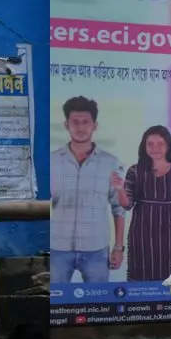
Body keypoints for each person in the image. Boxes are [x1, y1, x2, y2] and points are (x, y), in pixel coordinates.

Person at [50, 97, 125, 283]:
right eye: (75, 122)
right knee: (55, 307)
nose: (80, 127)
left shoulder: (110, 163)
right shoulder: (51, 161)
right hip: (57, 250)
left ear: (95, 125)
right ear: (66, 124)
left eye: (86, 122)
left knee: (99, 306)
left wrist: (118, 247)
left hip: (96, 250)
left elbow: (119, 208)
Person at [114, 125, 171, 281]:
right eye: (150, 144)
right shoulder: (135, 171)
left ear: (168, 146)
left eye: (160, 144)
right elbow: (126, 205)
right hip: (140, 236)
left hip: (168, 236)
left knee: (167, 280)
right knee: (138, 280)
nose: (155, 148)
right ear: (144, 146)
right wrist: (119, 189)